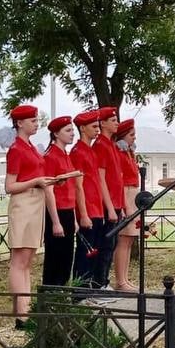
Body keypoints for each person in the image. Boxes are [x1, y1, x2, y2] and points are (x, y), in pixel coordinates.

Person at [3, 105, 55, 329]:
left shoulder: (31, 147)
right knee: (19, 261)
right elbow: (9, 186)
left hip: (35, 202)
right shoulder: (16, 149)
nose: (36, 123)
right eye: (32, 120)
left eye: (36, 119)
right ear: (20, 123)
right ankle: (21, 314)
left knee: (28, 260)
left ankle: (26, 308)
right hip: (23, 204)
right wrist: (35, 182)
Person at [42, 116, 82, 287]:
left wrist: (73, 218)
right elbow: (49, 189)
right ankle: (51, 295)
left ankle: (62, 293)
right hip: (56, 212)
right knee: (55, 258)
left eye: (72, 130)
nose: (72, 133)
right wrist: (56, 222)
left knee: (67, 257)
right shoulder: (50, 156)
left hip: (67, 211)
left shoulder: (65, 155)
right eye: (68, 130)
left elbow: (70, 190)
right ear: (56, 134)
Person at [70, 110, 107, 287]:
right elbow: (78, 186)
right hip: (88, 209)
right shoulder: (78, 152)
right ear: (82, 128)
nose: (97, 130)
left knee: (95, 251)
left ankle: (90, 287)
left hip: (96, 208)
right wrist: (83, 214)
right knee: (85, 252)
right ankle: (80, 292)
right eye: (94, 126)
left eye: (98, 126)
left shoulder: (90, 151)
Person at [93, 107, 123, 288]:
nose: (116, 123)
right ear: (102, 123)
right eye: (113, 120)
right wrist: (110, 206)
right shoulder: (100, 145)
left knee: (111, 245)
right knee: (104, 245)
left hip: (116, 202)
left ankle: (104, 281)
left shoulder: (111, 144)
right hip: (107, 203)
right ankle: (99, 283)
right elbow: (101, 178)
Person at [111, 118, 141, 292]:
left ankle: (125, 278)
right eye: (131, 135)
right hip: (126, 194)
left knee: (129, 239)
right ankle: (120, 280)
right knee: (124, 238)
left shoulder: (129, 152)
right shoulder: (120, 153)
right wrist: (125, 205)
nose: (134, 138)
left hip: (133, 193)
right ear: (122, 136)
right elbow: (120, 180)